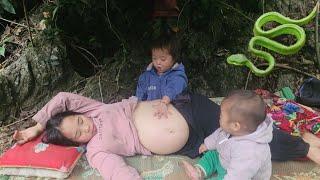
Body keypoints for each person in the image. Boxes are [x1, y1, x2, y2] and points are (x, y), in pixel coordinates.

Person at [13, 91, 320, 179]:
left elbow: (62, 97)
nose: (85, 127)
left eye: (79, 121)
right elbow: (118, 173)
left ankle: (303, 145)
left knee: (246, 130)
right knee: (239, 148)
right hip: (192, 143)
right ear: (76, 143)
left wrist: (37, 125)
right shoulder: (96, 150)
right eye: (77, 134)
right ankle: (300, 145)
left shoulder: (96, 109)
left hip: (190, 108)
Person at [180, 90, 272, 180]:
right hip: (225, 159)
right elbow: (218, 135)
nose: (218, 116)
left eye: (221, 116)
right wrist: (207, 144)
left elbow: (238, 176)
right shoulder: (234, 129)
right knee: (212, 154)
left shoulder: (250, 152)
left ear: (235, 125)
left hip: (238, 175)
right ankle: (199, 171)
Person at [135, 35, 187, 118]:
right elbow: (140, 95)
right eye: (154, 58)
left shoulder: (177, 75)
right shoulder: (146, 76)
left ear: (174, 59)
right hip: (151, 112)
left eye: (163, 59)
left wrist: (164, 102)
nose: (158, 62)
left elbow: (173, 87)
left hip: (172, 112)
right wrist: (137, 105)